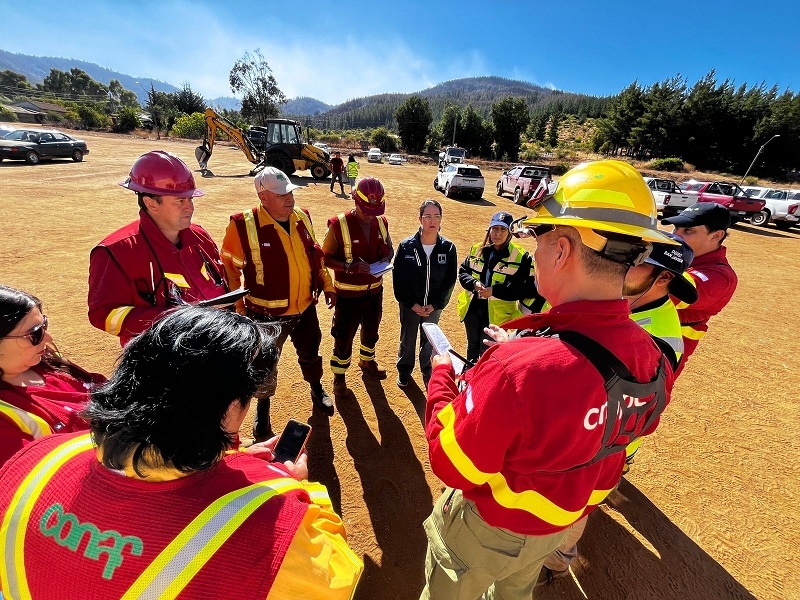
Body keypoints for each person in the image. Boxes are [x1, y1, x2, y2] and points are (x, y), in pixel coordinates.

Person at [419, 160, 678, 600]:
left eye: (539, 239)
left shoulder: (516, 368)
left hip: (488, 531)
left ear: (561, 250)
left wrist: (444, 373)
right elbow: (608, 454)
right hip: (552, 530)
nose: (533, 252)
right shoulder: (653, 358)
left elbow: (453, 464)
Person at [0, 307, 363, 599]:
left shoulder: (37, 460)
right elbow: (334, 580)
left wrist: (233, 471)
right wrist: (294, 489)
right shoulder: (275, 525)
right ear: (230, 410)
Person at [536, 233, 698, 586]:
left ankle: (557, 560)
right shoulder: (631, 304)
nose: (626, 266)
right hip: (593, 428)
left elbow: (621, 399)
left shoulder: (658, 337)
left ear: (665, 278)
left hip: (606, 438)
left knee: (576, 503)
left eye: (639, 263)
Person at [220, 167, 336, 441]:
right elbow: (229, 271)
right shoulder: (242, 225)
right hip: (265, 314)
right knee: (264, 365)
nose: (289, 199)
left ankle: (316, 387)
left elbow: (315, 256)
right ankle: (263, 410)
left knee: (311, 351)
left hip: (305, 308)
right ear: (263, 197)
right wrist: (239, 310)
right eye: (281, 194)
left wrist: (327, 283)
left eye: (290, 192)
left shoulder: (302, 217)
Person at [88, 150, 228, 346]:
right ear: (150, 203)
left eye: (190, 199)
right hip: (160, 361)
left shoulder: (200, 237)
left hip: (215, 347)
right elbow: (103, 315)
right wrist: (176, 318)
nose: (190, 207)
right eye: (180, 200)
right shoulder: (116, 251)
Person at [0, 286, 105, 467]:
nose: (48, 338)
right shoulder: (5, 420)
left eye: (44, 325)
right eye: (35, 334)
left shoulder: (46, 362)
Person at [322, 177, 394, 396]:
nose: (371, 214)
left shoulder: (381, 222)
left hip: (374, 291)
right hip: (348, 296)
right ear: (355, 200)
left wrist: (386, 254)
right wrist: (348, 266)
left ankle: (367, 360)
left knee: (371, 332)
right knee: (343, 337)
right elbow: (324, 258)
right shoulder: (338, 224)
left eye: (375, 210)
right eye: (366, 209)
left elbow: (390, 248)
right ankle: (339, 377)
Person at [662, 202, 738, 376]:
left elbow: (661, 290)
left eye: (688, 231)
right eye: (676, 229)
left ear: (716, 235)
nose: (675, 236)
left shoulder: (721, 276)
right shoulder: (678, 258)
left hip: (660, 360)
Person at [392, 199, 458, 389]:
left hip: (433, 306)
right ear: (420, 219)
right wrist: (410, 303)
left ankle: (428, 371)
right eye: (428, 216)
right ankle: (404, 371)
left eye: (436, 216)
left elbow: (449, 281)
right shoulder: (406, 247)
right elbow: (399, 279)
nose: (432, 221)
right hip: (410, 306)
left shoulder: (448, 248)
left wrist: (436, 304)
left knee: (429, 340)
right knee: (408, 338)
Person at [456, 211, 533, 363]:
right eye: (495, 228)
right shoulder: (477, 249)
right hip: (472, 309)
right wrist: (474, 284)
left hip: (498, 314)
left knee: (489, 349)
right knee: (472, 345)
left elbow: (524, 290)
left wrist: (494, 291)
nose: (498, 233)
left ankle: (482, 378)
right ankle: (469, 372)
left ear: (510, 232)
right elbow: (463, 272)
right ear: (489, 229)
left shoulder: (521, 257)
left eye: (503, 229)